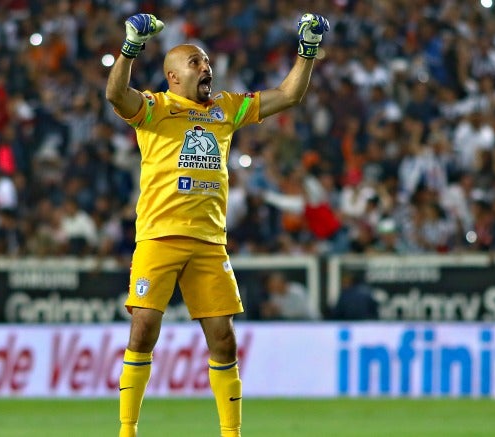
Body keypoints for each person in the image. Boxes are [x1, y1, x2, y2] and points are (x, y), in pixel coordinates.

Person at [105, 12, 330, 437]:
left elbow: (288, 95)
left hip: (210, 242)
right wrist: (130, 46)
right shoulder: (156, 108)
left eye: (207, 61)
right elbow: (116, 94)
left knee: (224, 340)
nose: (206, 67)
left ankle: (231, 433)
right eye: (196, 62)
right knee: (144, 329)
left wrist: (309, 50)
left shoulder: (226, 108)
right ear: (173, 75)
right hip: (160, 235)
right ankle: (127, 430)